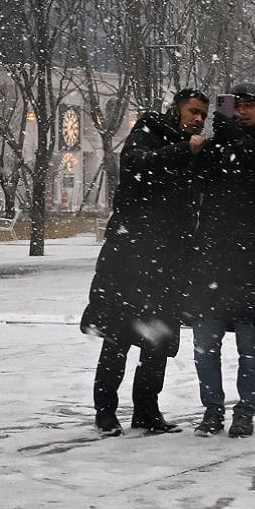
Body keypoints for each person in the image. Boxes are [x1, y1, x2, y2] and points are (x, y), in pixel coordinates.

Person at [80, 89, 206, 435]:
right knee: (118, 337)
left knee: (158, 341)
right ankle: (105, 410)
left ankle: (147, 409)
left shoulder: (195, 151)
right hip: (132, 258)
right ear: (176, 110)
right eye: (193, 111)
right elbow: (137, 166)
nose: (198, 119)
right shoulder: (148, 132)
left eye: (203, 115)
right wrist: (185, 150)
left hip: (170, 261)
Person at [186, 82, 255, 438]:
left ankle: (245, 411)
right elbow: (196, 181)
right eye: (237, 105)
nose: (243, 111)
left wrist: (238, 140)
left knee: (249, 345)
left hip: (253, 261)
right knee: (205, 344)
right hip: (211, 258)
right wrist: (206, 144)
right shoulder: (220, 143)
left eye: (250, 105)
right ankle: (212, 408)